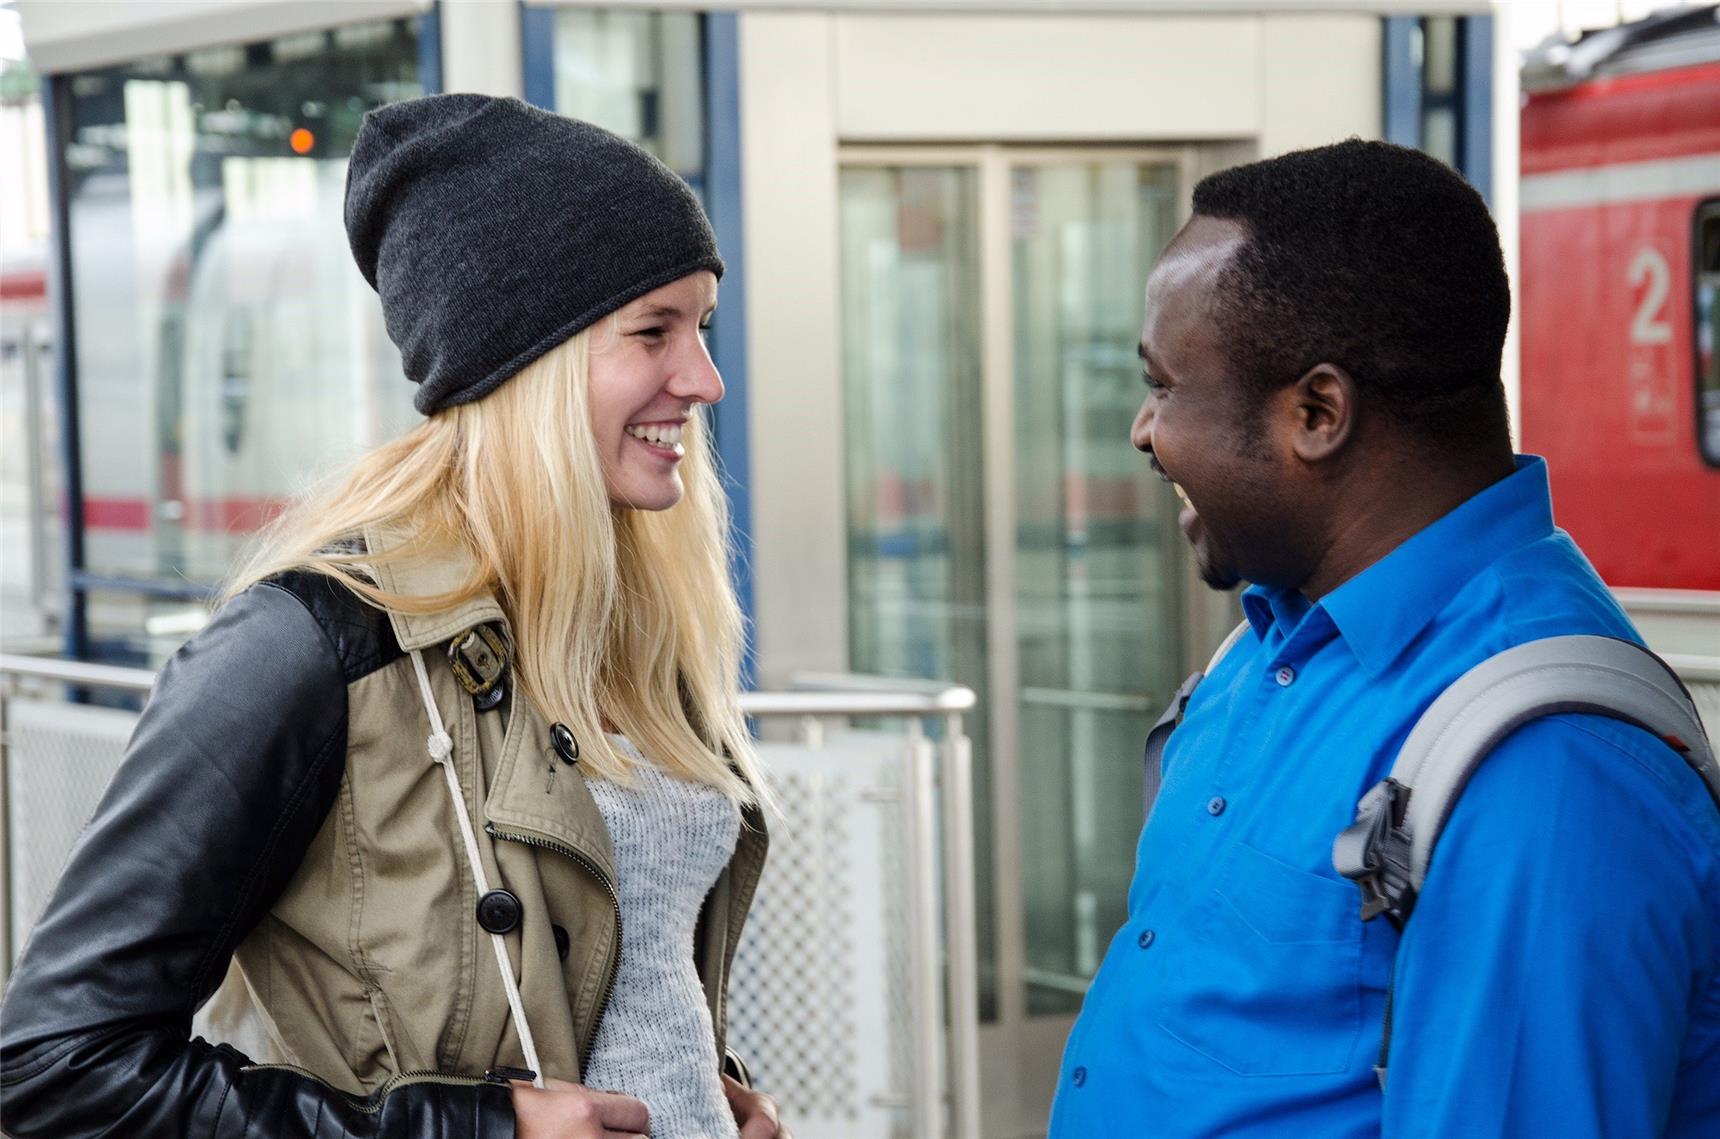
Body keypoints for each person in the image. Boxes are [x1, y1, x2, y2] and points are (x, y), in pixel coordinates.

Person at [1, 94, 790, 1139]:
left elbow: (615, 964)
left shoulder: (621, 621)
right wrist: (474, 1130)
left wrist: (702, 1084)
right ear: (525, 362)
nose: (705, 378)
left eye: (701, 325)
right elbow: (56, 1061)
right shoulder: (311, 644)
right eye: (654, 331)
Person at [1048, 139, 1720, 1137]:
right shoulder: (1266, 651)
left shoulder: (1549, 769)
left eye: (1164, 385)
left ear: (1317, 412)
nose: (1145, 431)